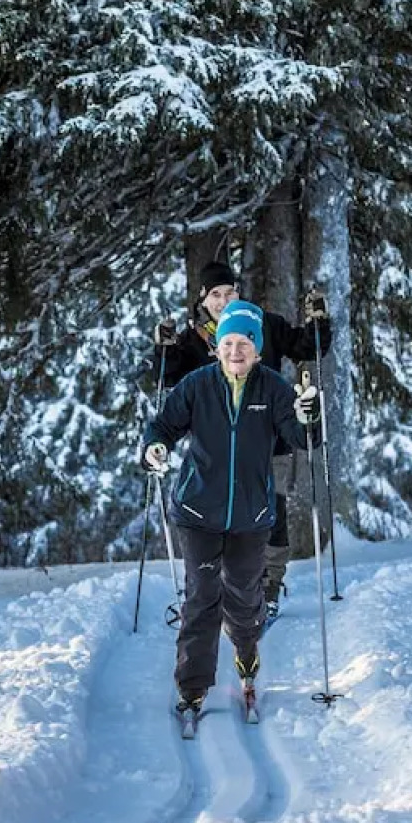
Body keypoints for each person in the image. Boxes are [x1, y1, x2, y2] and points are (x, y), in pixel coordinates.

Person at [141, 300, 320, 715]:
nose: (235, 351)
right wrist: (154, 448)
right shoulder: (197, 385)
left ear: (257, 350)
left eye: (245, 343)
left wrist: (308, 417)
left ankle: (245, 649)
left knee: (243, 596)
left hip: (251, 515)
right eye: (228, 342)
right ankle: (192, 686)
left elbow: (299, 437)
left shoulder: (273, 388)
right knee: (202, 598)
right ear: (217, 346)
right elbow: (163, 425)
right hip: (198, 511)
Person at [148, 260, 332, 619]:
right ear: (203, 299)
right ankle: (217, 590)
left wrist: (318, 323)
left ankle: (270, 584)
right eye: (215, 294)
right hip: (215, 448)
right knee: (217, 515)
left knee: (271, 510)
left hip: (270, 437)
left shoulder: (267, 323)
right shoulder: (193, 341)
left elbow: (308, 347)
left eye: (229, 291)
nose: (223, 299)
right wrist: (165, 350)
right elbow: (169, 381)